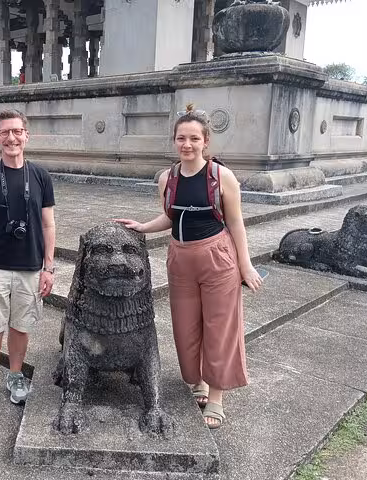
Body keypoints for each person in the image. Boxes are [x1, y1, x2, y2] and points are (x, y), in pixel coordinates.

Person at [115, 104, 263, 429]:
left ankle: (217, 397)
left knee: (219, 328)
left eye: (194, 138)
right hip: (180, 258)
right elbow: (170, 217)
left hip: (217, 258)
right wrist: (142, 226)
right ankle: (198, 379)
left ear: (206, 141)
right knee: (185, 327)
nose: (187, 144)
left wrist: (246, 265)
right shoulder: (168, 178)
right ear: (174, 141)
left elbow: (236, 224)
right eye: (181, 138)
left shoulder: (221, 176)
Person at [0, 109, 56, 420]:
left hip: (31, 266)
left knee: (21, 326)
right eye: (5, 132)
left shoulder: (41, 176)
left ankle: (15, 375)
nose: (11, 137)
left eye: (17, 131)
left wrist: (48, 267)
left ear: (26, 136)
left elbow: (48, 224)